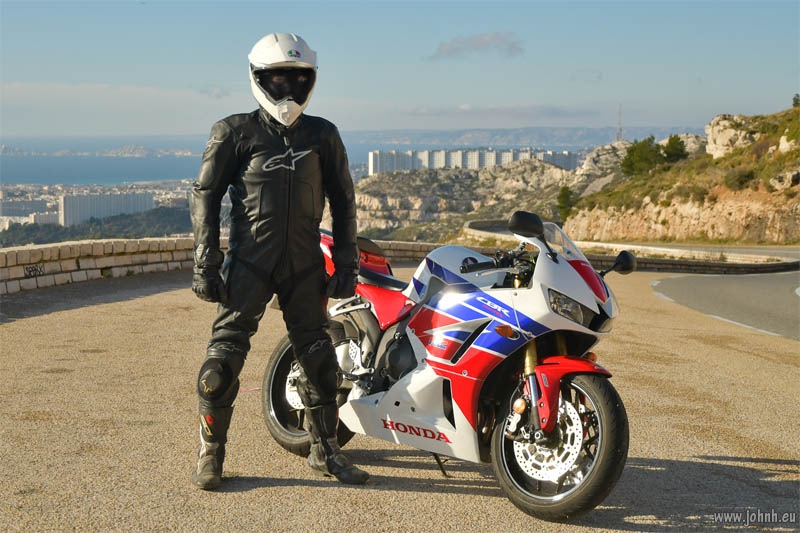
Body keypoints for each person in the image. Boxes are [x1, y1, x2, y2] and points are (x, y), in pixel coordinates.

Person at [189, 32, 368, 489]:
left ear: (310, 81)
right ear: (257, 78)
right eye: (277, 80)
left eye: (297, 79)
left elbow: (345, 200)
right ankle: (211, 454)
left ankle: (324, 454)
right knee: (219, 369)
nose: (287, 91)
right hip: (249, 262)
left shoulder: (322, 134)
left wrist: (345, 264)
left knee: (324, 368)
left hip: (305, 263)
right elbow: (204, 196)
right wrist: (205, 262)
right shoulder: (233, 132)